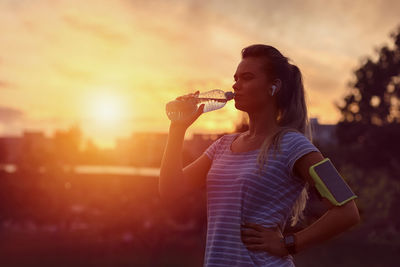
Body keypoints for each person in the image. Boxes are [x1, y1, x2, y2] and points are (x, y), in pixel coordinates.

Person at [159, 44, 360, 266]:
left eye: (247, 77)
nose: (236, 84)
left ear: (273, 87)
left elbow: (347, 212)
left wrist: (287, 244)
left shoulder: (294, 145)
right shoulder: (222, 146)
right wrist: (177, 129)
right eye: (235, 78)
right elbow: (170, 190)